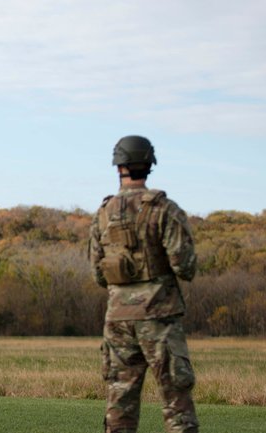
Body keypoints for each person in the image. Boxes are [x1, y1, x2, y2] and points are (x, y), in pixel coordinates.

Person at [88, 135, 200, 433]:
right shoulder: (165, 210)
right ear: (149, 166)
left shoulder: (103, 214)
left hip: (119, 321)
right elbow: (185, 267)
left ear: (118, 167)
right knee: (176, 403)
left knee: (120, 405)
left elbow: (98, 274)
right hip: (159, 318)